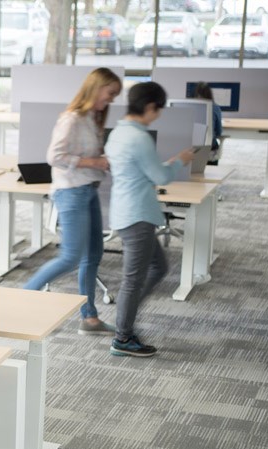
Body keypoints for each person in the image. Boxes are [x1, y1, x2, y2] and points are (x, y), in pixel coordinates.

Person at [22, 67, 121, 337]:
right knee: (71, 256)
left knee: (94, 254)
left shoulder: (91, 118)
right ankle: (21, 299)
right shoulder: (72, 119)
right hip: (71, 192)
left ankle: (89, 318)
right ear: (95, 88)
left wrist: (106, 160)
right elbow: (54, 156)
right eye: (110, 93)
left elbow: (85, 154)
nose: (111, 100)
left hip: (88, 189)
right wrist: (94, 161)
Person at [104, 82, 195, 358]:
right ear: (149, 107)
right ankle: (123, 336)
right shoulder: (139, 138)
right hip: (137, 216)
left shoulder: (118, 132)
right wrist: (179, 160)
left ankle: (125, 322)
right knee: (134, 280)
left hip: (126, 210)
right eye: (158, 110)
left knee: (158, 266)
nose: (159, 115)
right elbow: (161, 177)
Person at [192, 81, 224, 159]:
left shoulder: (189, 106)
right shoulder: (215, 108)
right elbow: (219, 132)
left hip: (191, 149)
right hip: (209, 149)